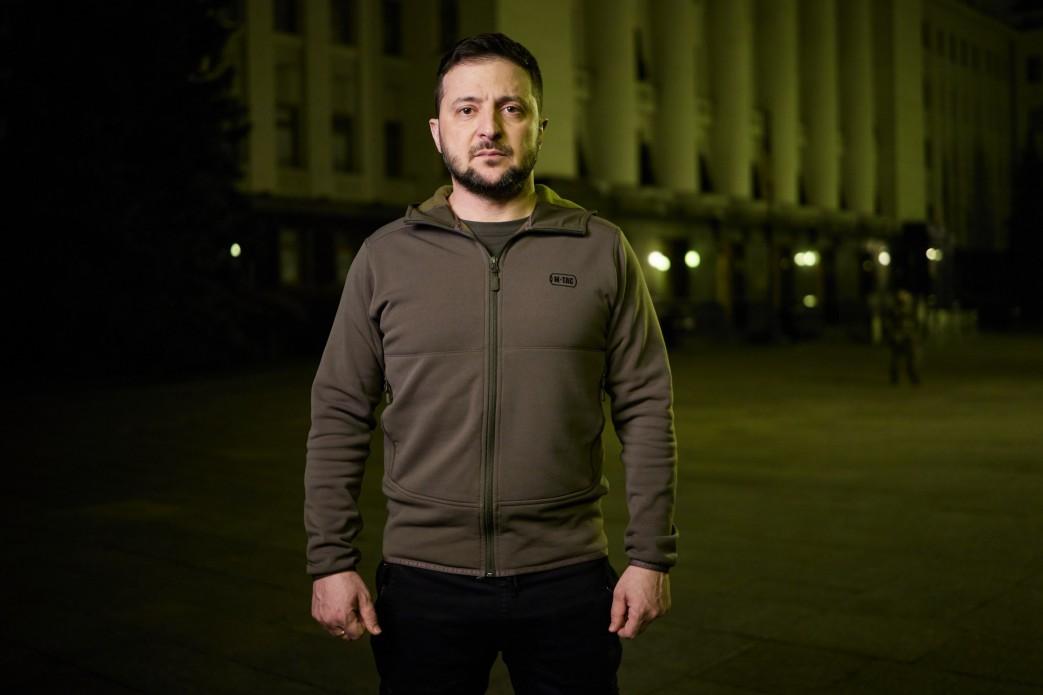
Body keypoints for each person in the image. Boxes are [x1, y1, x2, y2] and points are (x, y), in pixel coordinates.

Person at [305, 33, 677, 694]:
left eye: (511, 108)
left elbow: (646, 406)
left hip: (567, 575)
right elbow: (339, 410)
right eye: (467, 108)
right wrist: (330, 560)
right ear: (437, 130)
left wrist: (650, 556)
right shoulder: (386, 257)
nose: (489, 128)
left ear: (539, 126)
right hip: (423, 580)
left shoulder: (600, 249)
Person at [884, 288, 921, 385]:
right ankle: (895, 378)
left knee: (910, 359)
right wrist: (893, 334)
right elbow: (889, 323)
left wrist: (914, 335)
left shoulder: (911, 309)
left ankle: (913, 378)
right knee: (896, 359)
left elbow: (915, 323)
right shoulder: (894, 310)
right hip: (898, 337)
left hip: (908, 337)